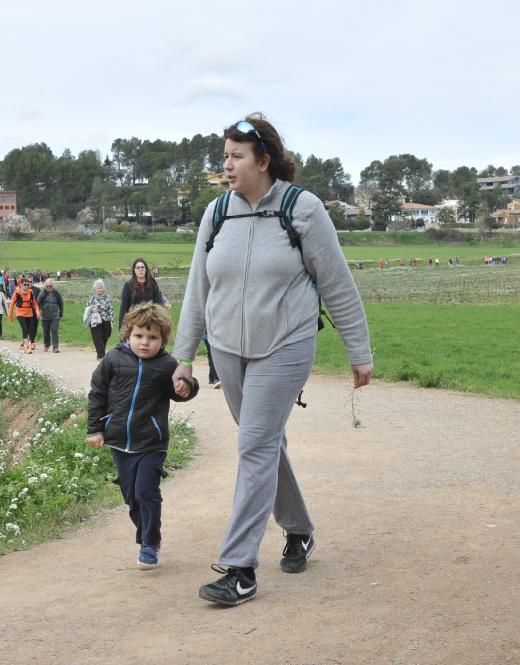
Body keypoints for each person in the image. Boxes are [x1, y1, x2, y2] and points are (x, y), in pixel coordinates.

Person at [171, 114, 373, 607]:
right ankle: (299, 529)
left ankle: (240, 568)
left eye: (237, 156)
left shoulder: (300, 210)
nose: (227, 165)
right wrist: (183, 356)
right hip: (228, 349)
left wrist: (358, 349)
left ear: (263, 161)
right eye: (224, 156)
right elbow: (199, 286)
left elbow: (336, 283)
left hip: (284, 345)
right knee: (263, 444)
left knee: (254, 446)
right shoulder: (217, 213)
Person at [87, 303, 198, 569]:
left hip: (151, 442)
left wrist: (187, 387)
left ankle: (149, 542)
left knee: (146, 492)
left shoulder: (166, 365)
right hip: (119, 442)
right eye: (139, 336)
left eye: (152, 338)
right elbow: (97, 394)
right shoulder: (113, 359)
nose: (145, 343)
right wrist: (95, 429)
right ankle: (147, 533)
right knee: (131, 497)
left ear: (163, 340)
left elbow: (183, 388)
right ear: (128, 334)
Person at [118, 257, 166, 327]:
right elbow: (124, 307)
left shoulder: (152, 283)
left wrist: (161, 319)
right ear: (134, 270)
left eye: (142, 267)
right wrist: (122, 326)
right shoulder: (128, 285)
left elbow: (158, 301)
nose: (140, 269)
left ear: (146, 269)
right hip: (134, 322)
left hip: (150, 320)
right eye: (138, 268)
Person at [85, 279, 114, 360]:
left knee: (105, 337)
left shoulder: (107, 297)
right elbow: (87, 308)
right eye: (98, 288)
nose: (99, 289)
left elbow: (111, 310)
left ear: (103, 288)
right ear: (95, 289)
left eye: (101, 288)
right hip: (95, 321)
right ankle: (102, 356)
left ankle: (100, 354)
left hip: (106, 320)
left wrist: (112, 323)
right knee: (98, 338)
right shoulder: (92, 298)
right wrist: (92, 309)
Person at [9, 279, 40, 353]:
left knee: (31, 329)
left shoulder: (31, 292)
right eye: (25, 284)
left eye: (28, 285)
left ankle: (22, 344)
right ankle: (27, 347)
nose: (26, 286)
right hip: (20, 313)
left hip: (29, 313)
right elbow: (12, 304)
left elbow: (34, 303)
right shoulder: (16, 293)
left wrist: (37, 311)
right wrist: (10, 315)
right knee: (25, 328)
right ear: (21, 285)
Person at [37, 278, 64, 353]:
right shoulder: (42, 293)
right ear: (45, 286)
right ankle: (46, 345)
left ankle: (55, 347)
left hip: (55, 315)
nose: (49, 288)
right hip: (45, 316)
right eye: (47, 286)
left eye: (50, 286)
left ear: (53, 286)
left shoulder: (56, 293)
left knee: (54, 330)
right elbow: (37, 303)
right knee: (46, 332)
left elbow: (61, 303)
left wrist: (61, 313)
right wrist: (38, 313)